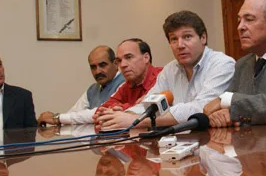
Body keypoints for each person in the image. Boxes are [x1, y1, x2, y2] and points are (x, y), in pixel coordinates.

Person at [96, 11, 235, 130]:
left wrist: (135, 120)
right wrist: (123, 115)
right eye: (174, 39)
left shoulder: (222, 64)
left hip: (215, 145)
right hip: (179, 145)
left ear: (203, 37)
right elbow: (150, 103)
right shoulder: (170, 69)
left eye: (187, 37)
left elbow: (202, 108)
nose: (180, 45)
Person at [37, 46, 125, 126]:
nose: (98, 71)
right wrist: (53, 119)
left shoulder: (125, 84)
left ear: (116, 64)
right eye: (93, 67)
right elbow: (73, 114)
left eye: (102, 65)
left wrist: (58, 118)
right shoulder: (93, 89)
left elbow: (100, 113)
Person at [93, 38, 162, 130]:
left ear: (146, 57)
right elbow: (100, 111)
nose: (122, 65)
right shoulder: (126, 85)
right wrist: (122, 110)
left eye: (129, 57)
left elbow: (155, 110)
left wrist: (123, 109)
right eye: (119, 61)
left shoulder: (163, 77)